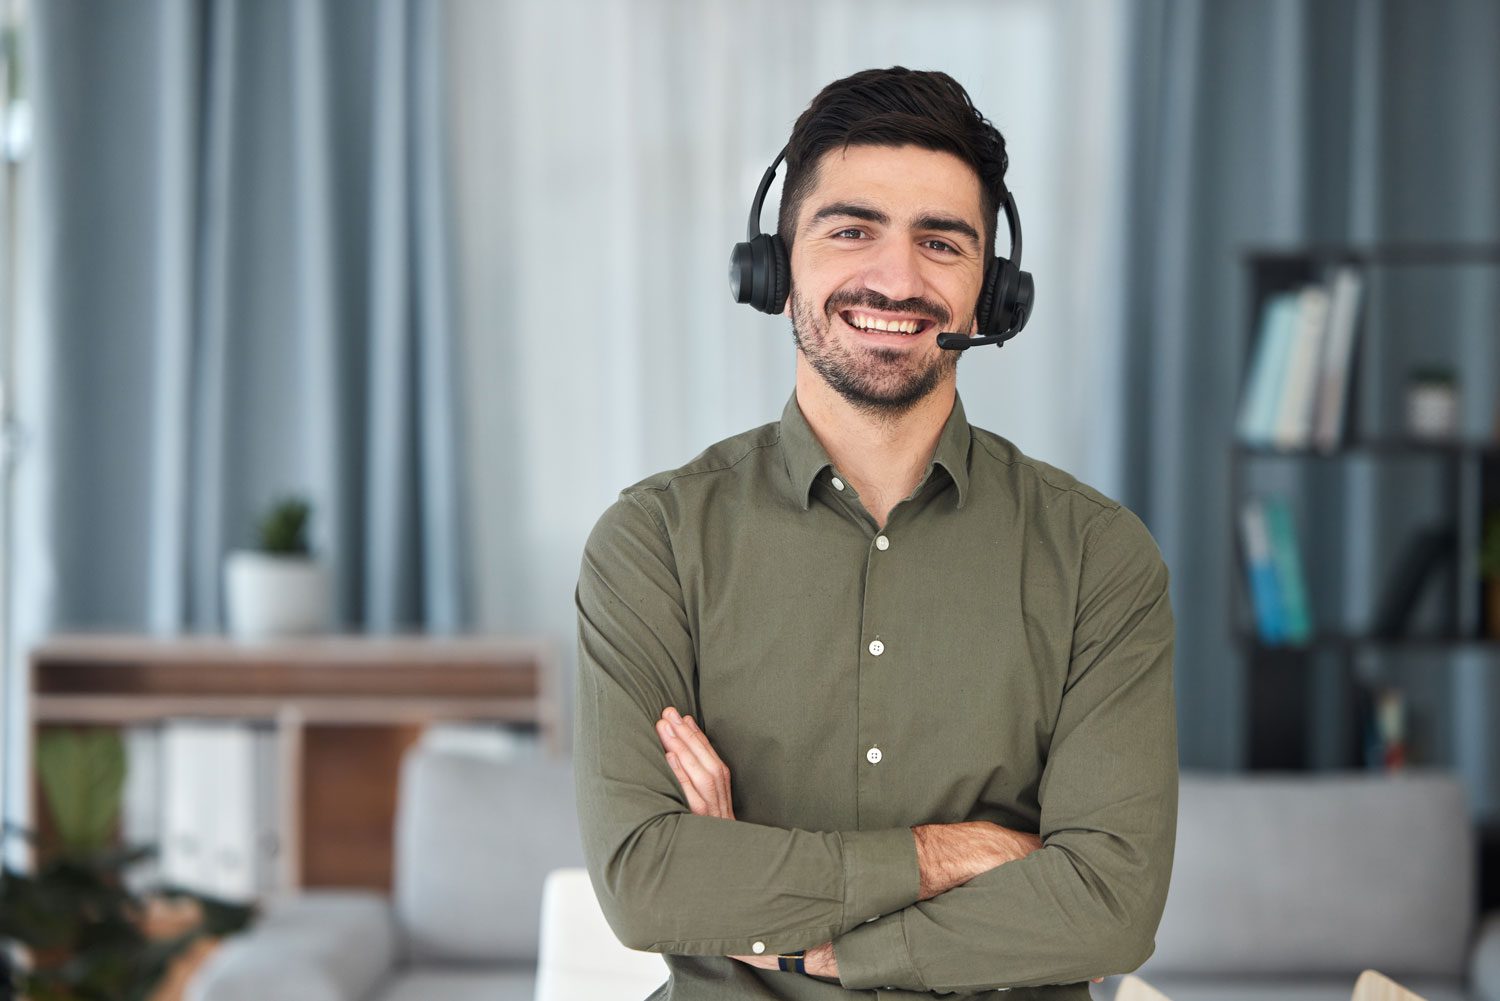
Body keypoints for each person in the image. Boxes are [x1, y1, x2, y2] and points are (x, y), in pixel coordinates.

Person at [573, 66, 1177, 1000]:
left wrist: (791, 926)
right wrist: (950, 854)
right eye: (852, 229)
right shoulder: (650, 542)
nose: (896, 279)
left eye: (941, 242)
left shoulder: (1101, 558)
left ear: (992, 296)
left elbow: (1110, 905)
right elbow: (648, 882)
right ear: (776, 269)